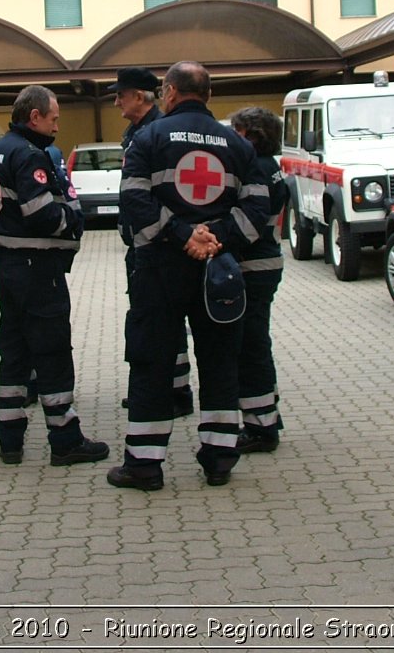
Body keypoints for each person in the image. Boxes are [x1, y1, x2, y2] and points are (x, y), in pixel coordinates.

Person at [109, 61, 269, 490]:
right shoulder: (237, 144)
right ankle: (219, 459)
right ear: (209, 96)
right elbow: (258, 209)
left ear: (171, 93)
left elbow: (133, 201)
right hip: (217, 272)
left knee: (152, 363)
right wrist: (216, 237)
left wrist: (183, 234)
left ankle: (144, 466)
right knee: (220, 362)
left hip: (160, 268)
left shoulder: (148, 138)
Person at [0, 85, 108, 467]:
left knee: (14, 352)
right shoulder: (28, 154)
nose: (56, 125)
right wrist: (74, 216)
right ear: (34, 116)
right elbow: (42, 214)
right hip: (38, 270)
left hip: (11, 269)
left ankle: (10, 440)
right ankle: (66, 440)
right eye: (53, 118)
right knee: (52, 353)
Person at [110, 66, 193, 418]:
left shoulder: (158, 133)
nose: (116, 102)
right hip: (142, 244)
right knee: (155, 322)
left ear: (141, 97)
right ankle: (170, 389)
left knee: (158, 323)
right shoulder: (136, 132)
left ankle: (170, 392)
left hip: (159, 246)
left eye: (121, 95)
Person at [228, 107, 289, 454]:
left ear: (252, 135)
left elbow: (250, 222)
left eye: (237, 132)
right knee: (256, 342)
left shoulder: (257, 169)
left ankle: (261, 428)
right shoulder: (271, 167)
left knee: (250, 347)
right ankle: (266, 415)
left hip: (255, 266)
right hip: (266, 264)